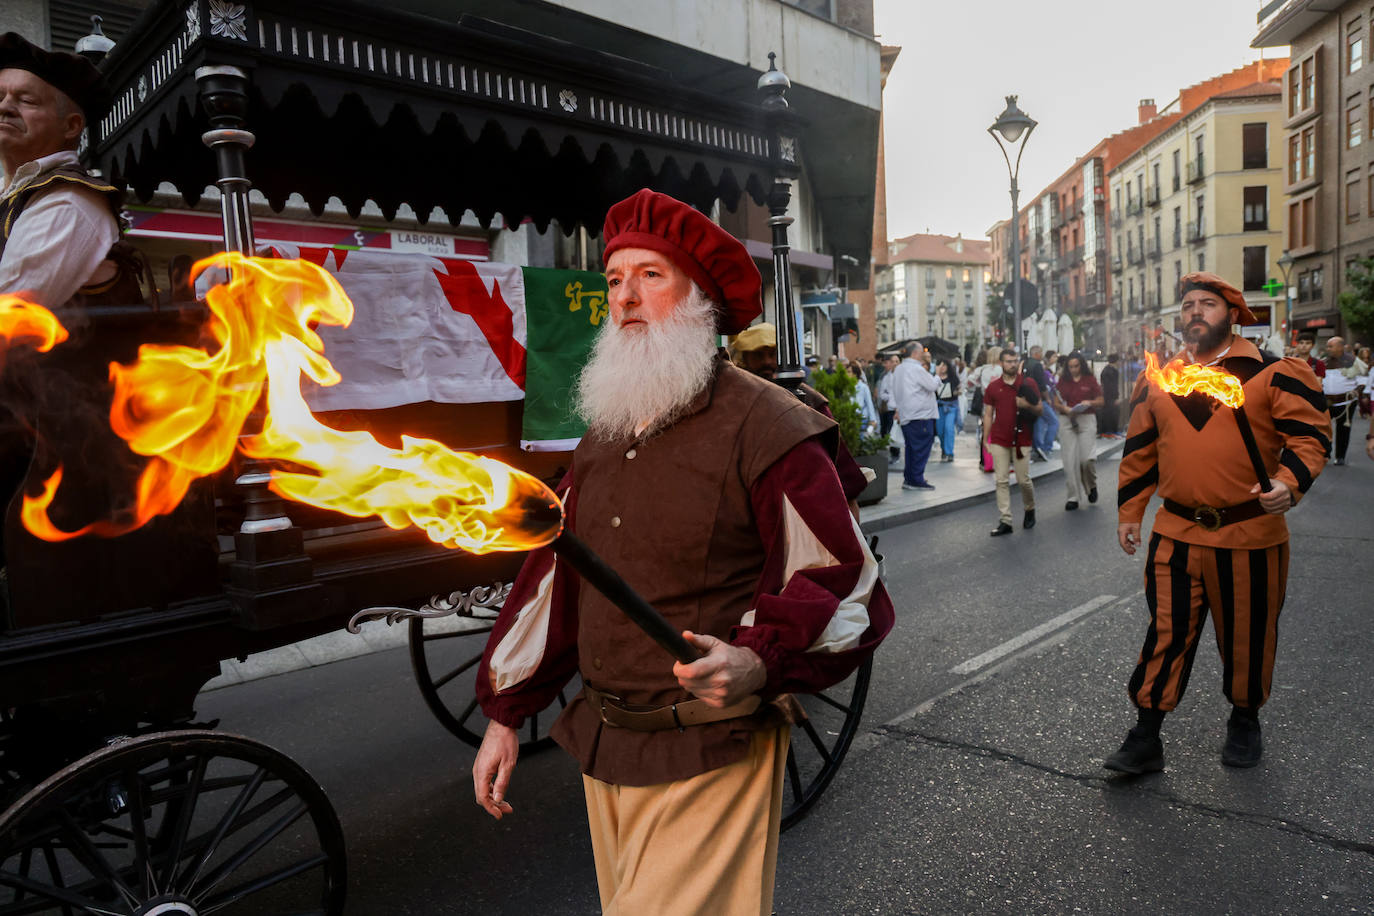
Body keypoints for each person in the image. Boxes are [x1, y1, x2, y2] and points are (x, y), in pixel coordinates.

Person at [471, 189, 894, 916]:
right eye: (614, 279)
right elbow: (552, 581)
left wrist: (760, 660)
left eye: (651, 276)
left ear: (700, 300)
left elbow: (843, 582)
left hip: (712, 753)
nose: (626, 298)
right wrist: (507, 711)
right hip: (605, 750)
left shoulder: (767, 427)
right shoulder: (602, 437)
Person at [1107, 272, 1329, 774]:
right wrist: (1130, 513)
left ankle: (1245, 719)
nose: (1195, 312)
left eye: (1207, 303)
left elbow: (1310, 438)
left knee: (1247, 635)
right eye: (1188, 304)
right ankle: (1146, 734)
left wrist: (1289, 484)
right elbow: (1140, 454)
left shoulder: (1274, 374)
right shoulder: (1160, 379)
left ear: (1233, 314)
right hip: (1175, 534)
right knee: (1166, 633)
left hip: (1251, 535)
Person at [0, 32, 127, 309]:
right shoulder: (9, 194)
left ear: (70, 126)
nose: (5, 108)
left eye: (26, 100)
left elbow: (10, 313)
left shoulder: (69, 202)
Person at [728, 321, 870, 512]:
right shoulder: (736, 399)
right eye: (759, 355)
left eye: (772, 354)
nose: (768, 362)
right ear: (745, 359)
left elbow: (839, 463)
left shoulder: (809, 399)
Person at [983, 347, 1040, 536]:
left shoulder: (1028, 383)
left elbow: (1039, 409)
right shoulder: (993, 386)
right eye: (1008, 361)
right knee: (1001, 480)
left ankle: (1029, 508)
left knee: (1023, 480)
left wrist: (1026, 405)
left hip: (1022, 437)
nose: (1012, 364)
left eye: (1015, 361)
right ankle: (1005, 520)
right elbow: (989, 414)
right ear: (1001, 363)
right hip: (1000, 438)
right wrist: (985, 438)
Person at [1052, 351, 1103, 510]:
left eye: (1076, 366)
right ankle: (1073, 496)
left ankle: (1091, 485)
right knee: (1070, 460)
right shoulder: (1063, 380)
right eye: (1071, 366)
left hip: (1086, 418)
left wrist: (1090, 402)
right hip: (1068, 419)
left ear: (1081, 365)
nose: (1073, 369)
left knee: (1086, 459)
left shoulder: (1090, 379)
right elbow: (1056, 402)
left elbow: (1101, 401)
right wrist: (1065, 409)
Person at [892, 341, 938, 490]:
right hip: (921, 415)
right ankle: (916, 479)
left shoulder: (899, 369)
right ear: (915, 353)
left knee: (911, 448)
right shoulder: (916, 369)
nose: (924, 355)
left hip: (908, 414)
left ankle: (910, 478)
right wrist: (938, 376)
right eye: (922, 352)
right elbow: (932, 385)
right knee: (920, 448)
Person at [1321, 336, 1367, 466]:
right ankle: (1325, 453)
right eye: (1327, 346)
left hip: (1346, 402)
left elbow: (1362, 381)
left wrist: (1356, 392)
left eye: (1331, 346)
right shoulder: (1323, 362)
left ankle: (1340, 456)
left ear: (1340, 347)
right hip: (1326, 401)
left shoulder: (1354, 362)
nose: (1328, 349)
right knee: (1323, 429)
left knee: (1343, 429)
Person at [1024, 346, 1057, 461]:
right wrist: (1047, 398)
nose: (1042, 355)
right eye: (1041, 352)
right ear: (1036, 353)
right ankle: (1046, 447)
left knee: (1038, 422)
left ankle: (1038, 446)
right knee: (1053, 422)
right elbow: (1041, 384)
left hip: (1027, 398)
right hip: (1039, 398)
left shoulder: (1025, 363)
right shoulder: (1037, 365)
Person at [934, 358, 960, 462]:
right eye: (940, 364)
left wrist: (957, 392)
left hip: (951, 406)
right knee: (940, 431)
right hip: (939, 407)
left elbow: (958, 389)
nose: (942, 367)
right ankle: (944, 449)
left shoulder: (953, 377)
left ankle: (950, 452)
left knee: (949, 429)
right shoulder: (934, 378)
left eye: (944, 365)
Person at [875, 353, 899, 460]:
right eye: (893, 361)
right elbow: (882, 393)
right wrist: (889, 398)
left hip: (898, 409)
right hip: (889, 408)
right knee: (886, 431)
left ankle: (895, 453)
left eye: (896, 361)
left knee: (894, 431)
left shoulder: (902, 376)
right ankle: (890, 452)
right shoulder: (886, 377)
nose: (894, 363)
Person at [1099, 353, 1122, 437]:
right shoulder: (1112, 371)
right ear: (1116, 361)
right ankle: (1111, 431)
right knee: (1113, 413)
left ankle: (1108, 430)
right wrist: (1116, 397)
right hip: (1111, 397)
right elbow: (1113, 386)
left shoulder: (1105, 370)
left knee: (1108, 413)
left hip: (1106, 395)